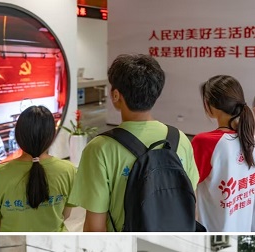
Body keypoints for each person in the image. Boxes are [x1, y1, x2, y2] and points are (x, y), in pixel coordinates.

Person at [68, 54, 199, 231]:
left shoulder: (100, 148)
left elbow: (95, 227)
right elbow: (190, 206)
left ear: (116, 95)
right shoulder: (181, 139)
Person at [0, 105, 76, 231]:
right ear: (52, 136)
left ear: (18, 136)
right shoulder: (68, 170)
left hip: (12, 241)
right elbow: (65, 214)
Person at [192, 75, 255, 231]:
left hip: (211, 235)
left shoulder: (205, 142)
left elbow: (186, 189)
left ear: (209, 105)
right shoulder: (251, 139)